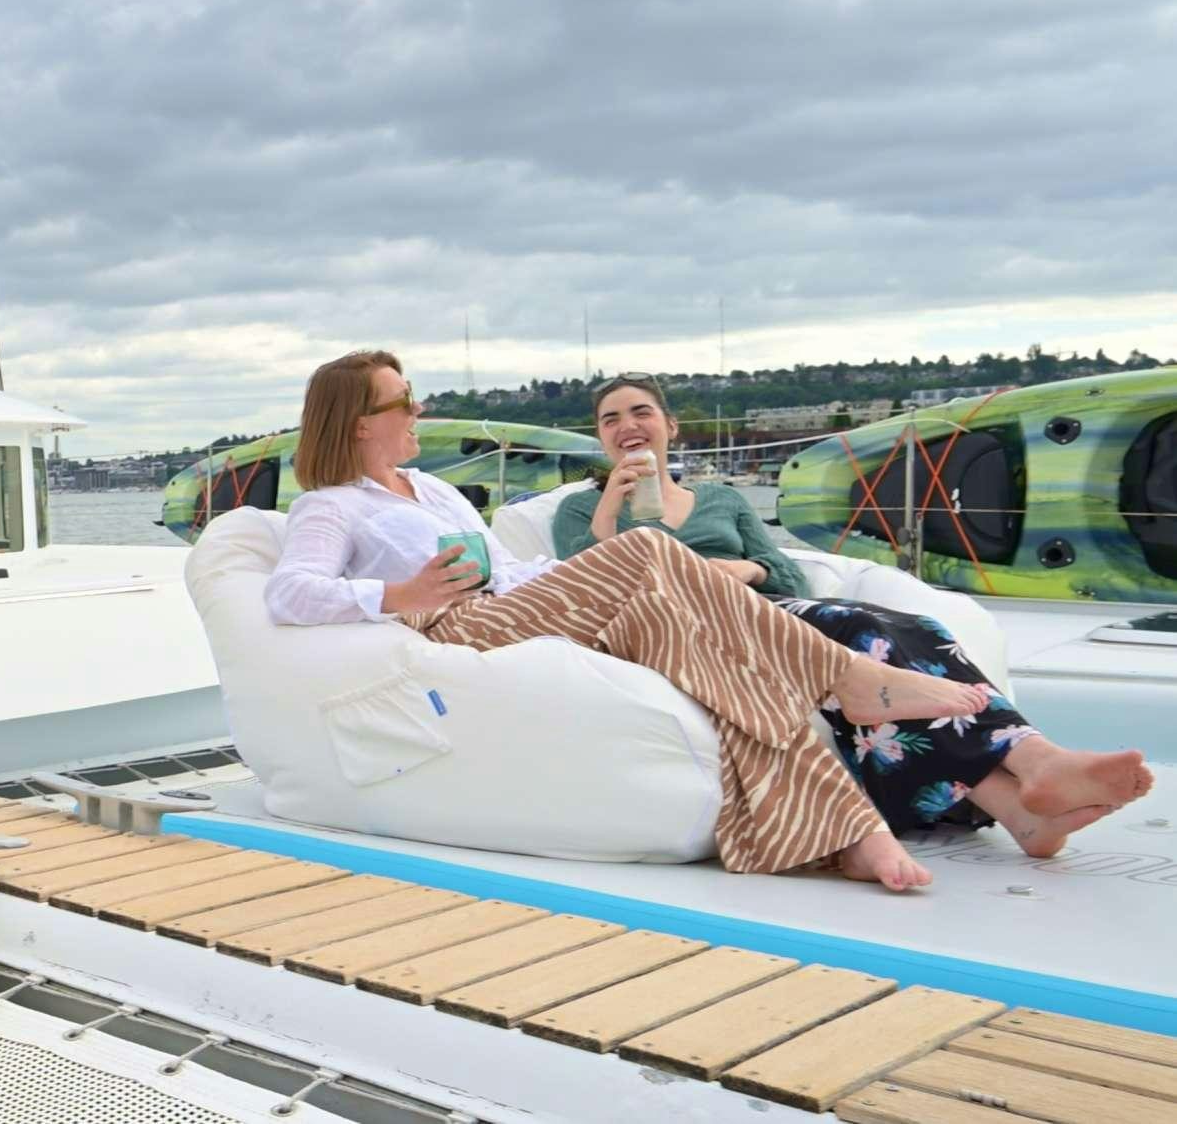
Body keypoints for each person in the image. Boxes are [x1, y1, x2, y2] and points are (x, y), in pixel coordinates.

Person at [266, 349, 1007, 892]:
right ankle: (846, 675)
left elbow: (508, 569)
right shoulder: (331, 505)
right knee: (648, 546)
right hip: (459, 628)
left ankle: (841, 831)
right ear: (360, 425)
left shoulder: (433, 491)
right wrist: (401, 594)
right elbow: (290, 594)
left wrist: (573, 574)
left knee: (702, 646)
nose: (419, 409)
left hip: (513, 606)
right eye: (404, 400)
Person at [555, 373, 1153, 857]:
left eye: (641, 412)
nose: (627, 425)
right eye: (611, 419)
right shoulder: (582, 509)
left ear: (670, 426)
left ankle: (1022, 812)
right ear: (601, 439)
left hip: (763, 610)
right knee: (861, 632)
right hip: (679, 626)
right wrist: (611, 510)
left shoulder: (721, 499)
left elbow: (785, 575)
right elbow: (587, 588)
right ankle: (1038, 761)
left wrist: (744, 570)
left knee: (918, 630)